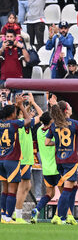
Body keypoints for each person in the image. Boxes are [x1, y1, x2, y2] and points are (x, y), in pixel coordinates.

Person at [45, 101, 78, 225]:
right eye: (69, 106)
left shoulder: (54, 125)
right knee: (68, 189)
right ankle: (58, 216)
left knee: (73, 186)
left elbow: (47, 142)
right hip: (71, 160)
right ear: (66, 110)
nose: (71, 107)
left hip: (59, 160)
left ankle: (69, 216)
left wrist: (57, 144)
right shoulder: (74, 124)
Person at [0, 95, 31, 223]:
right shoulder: (14, 123)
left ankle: (3, 216)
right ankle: (8, 217)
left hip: (1, 159)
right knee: (13, 190)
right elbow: (28, 120)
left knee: (5, 189)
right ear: (12, 114)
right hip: (12, 160)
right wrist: (22, 107)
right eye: (15, 112)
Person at [13, 93, 43, 224]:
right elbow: (41, 115)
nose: (30, 114)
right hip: (24, 159)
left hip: (25, 159)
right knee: (22, 186)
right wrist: (34, 103)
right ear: (21, 114)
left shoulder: (17, 123)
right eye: (26, 112)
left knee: (27, 185)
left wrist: (26, 105)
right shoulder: (21, 124)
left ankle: (14, 212)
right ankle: (17, 214)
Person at [31, 112, 62, 224]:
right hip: (57, 167)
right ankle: (57, 216)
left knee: (50, 194)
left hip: (46, 169)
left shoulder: (39, 130)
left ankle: (37, 209)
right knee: (65, 193)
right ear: (51, 121)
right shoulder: (53, 131)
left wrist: (34, 102)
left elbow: (43, 116)